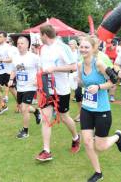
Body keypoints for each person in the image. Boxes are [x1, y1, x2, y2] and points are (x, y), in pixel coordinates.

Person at [78, 36, 121, 182]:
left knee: (100, 146)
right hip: (87, 108)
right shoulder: (79, 65)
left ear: (93, 49)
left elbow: (114, 81)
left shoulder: (98, 64)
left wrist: (98, 87)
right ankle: (98, 172)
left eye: (87, 47)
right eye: (81, 46)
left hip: (102, 110)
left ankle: (117, 136)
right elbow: (81, 83)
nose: (83, 49)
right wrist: (79, 83)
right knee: (86, 141)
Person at [35, 25, 80, 162]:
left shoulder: (62, 47)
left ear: (44, 35)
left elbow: (73, 67)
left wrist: (55, 68)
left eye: (39, 35)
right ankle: (46, 150)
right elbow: (43, 67)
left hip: (61, 90)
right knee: (46, 118)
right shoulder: (42, 49)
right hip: (46, 89)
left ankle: (76, 138)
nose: (39, 37)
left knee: (64, 117)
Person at [8, 36, 41, 138]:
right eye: (18, 43)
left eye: (22, 43)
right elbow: (14, 70)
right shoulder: (15, 57)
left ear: (27, 45)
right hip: (20, 86)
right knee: (22, 107)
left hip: (30, 87)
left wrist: (37, 79)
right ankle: (36, 111)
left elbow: (40, 69)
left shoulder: (34, 57)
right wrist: (10, 79)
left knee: (24, 109)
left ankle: (25, 131)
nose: (19, 45)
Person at [0, 31, 17, 115]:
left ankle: (20, 104)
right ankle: (3, 105)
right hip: (0, 72)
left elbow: (11, 59)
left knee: (13, 91)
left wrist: (2, 60)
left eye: (0, 36)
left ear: (5, 38)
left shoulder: (8, 47)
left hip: (8, 72)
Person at [68, 39, 82, 122]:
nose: (70, 45)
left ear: (75, 45)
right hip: (68, 75)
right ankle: (63, 113)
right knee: (66, 93)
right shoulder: (67, 53)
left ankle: (81, 114)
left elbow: (81, 64)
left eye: (71, 44)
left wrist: (78, 75)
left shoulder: (78, 52)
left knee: (78, 95)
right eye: (69, 44)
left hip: (77, 76)